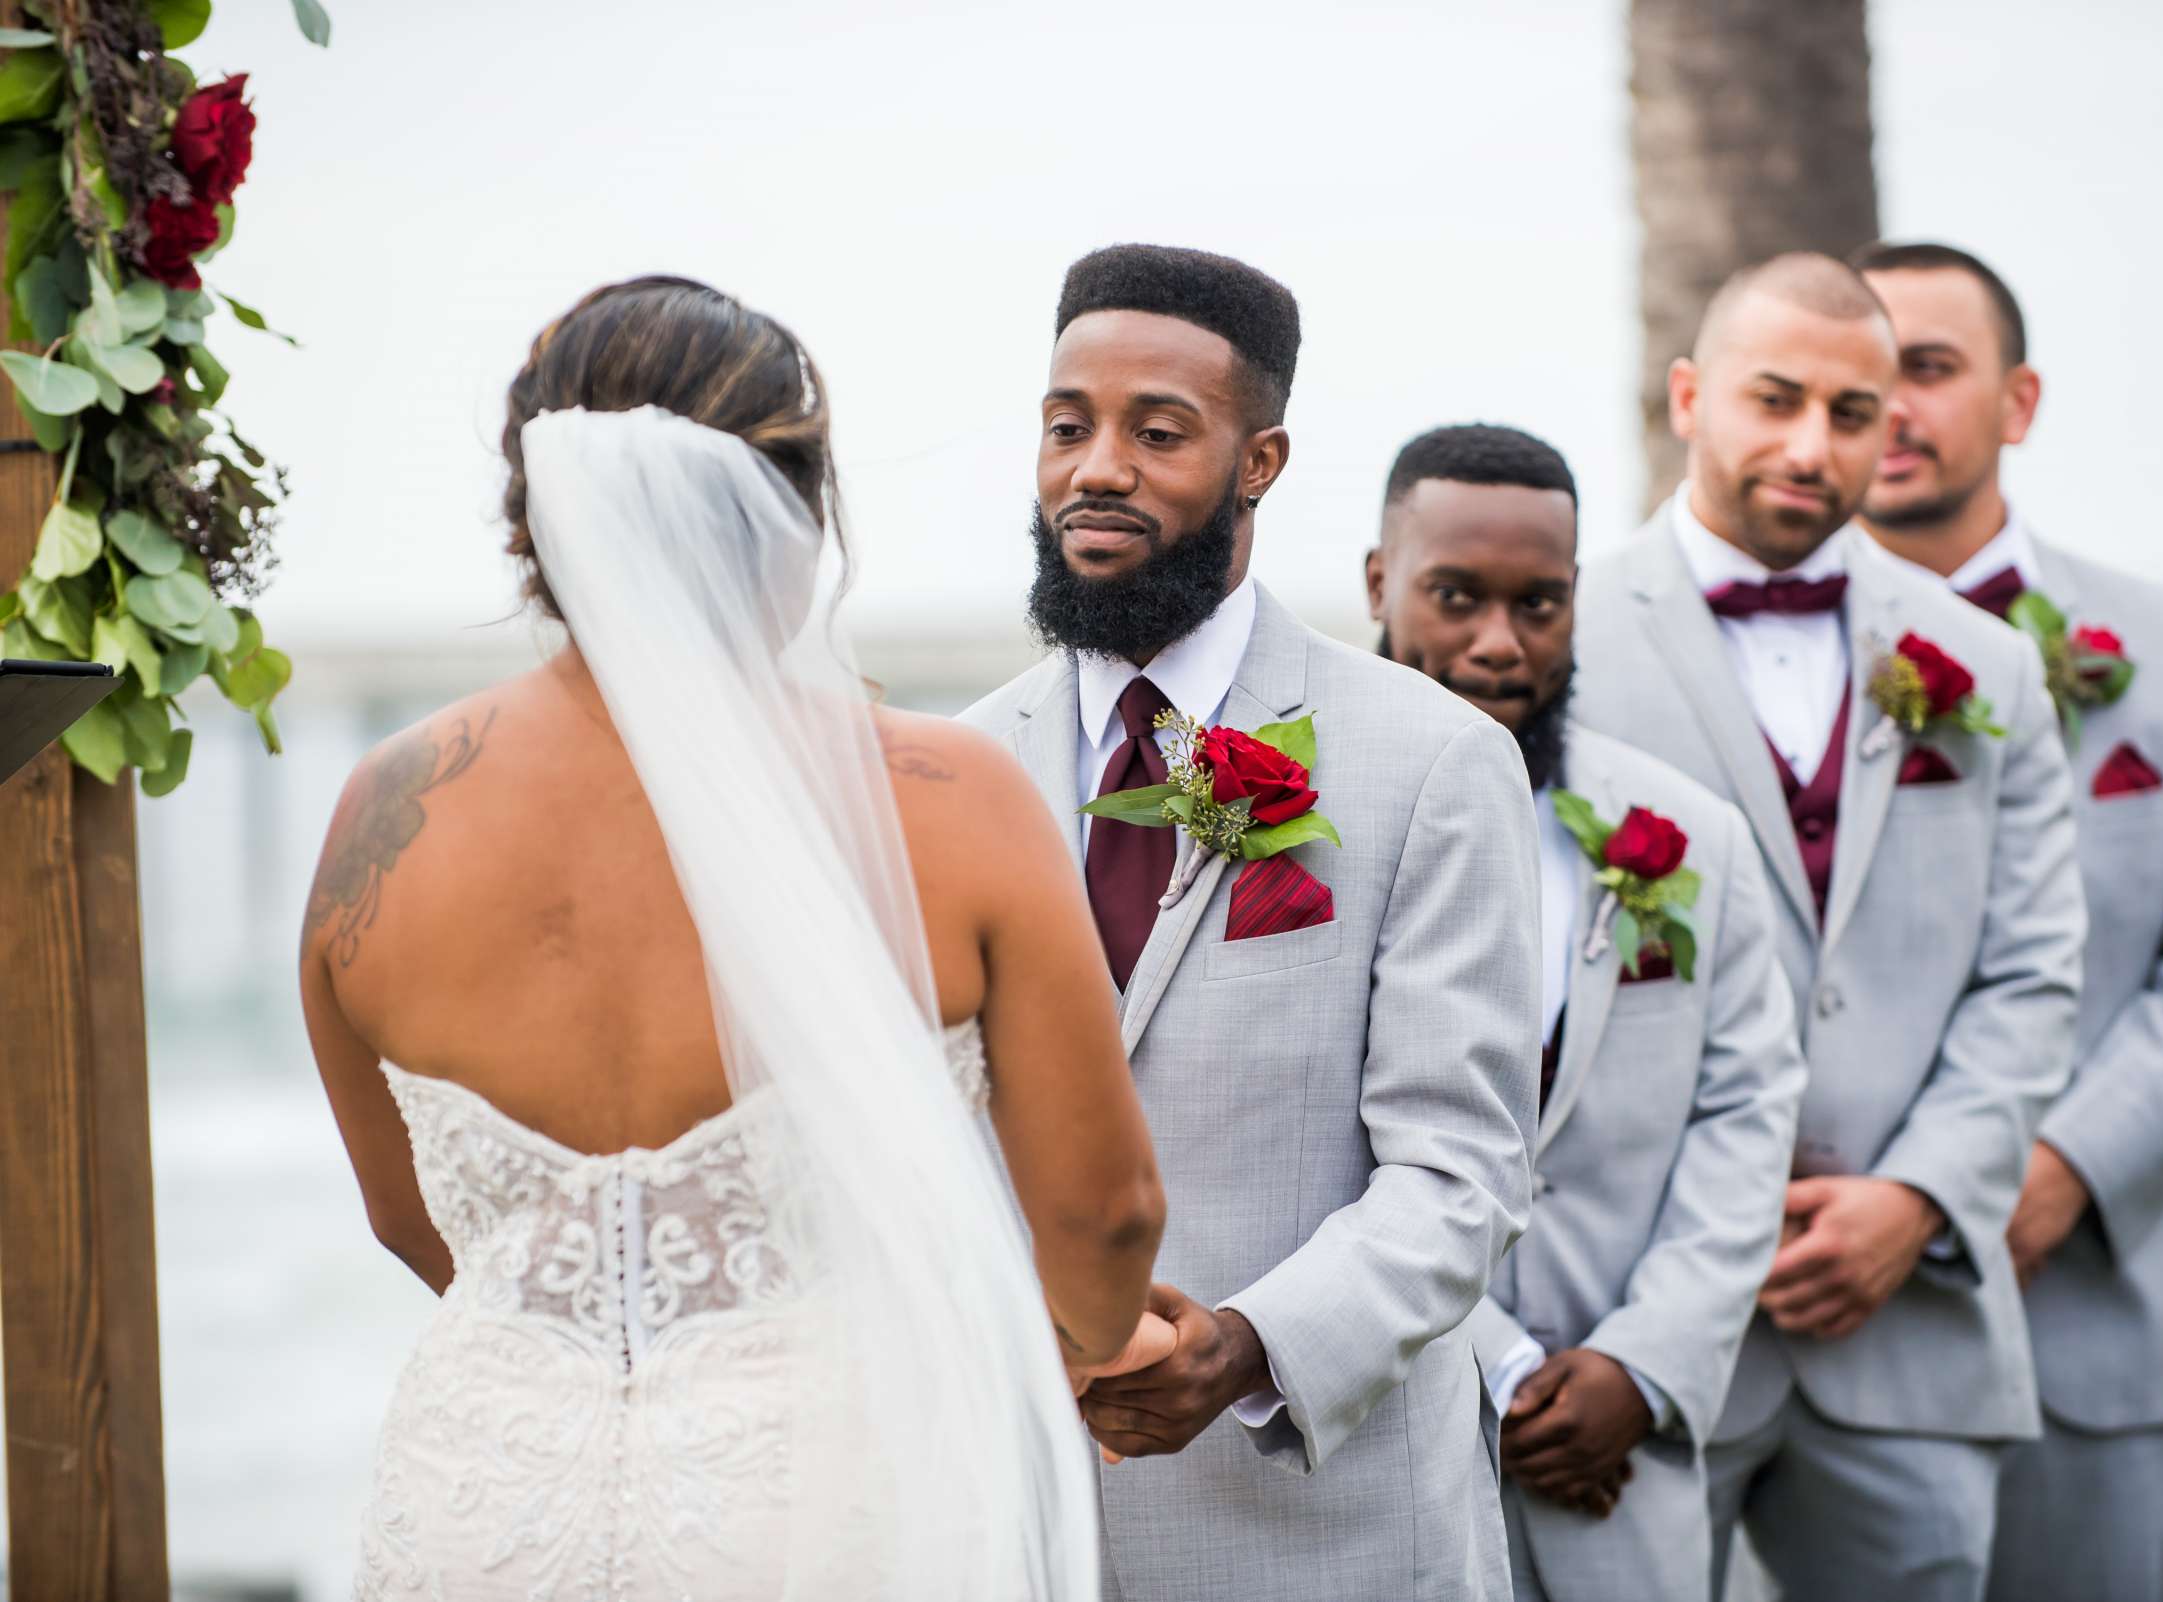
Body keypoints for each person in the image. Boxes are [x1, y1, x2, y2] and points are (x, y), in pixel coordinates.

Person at [301, 276, 1167, 1600]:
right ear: (795, 511)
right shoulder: (954, 800)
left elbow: (408, 1217)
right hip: (827, 1503)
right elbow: (1104, 1219)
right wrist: (1037, 1374)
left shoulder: (383, 810)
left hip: (481, 1499)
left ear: (535, 511)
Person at [959, 244, 1540, 1600]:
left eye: (1157, 432)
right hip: (1018, 1526)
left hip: (1320, 1535)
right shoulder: (954, 771)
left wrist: (1244, 1345)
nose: (1097, 467)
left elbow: (1460, 1171)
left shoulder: (1432, 759)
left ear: (1260, 459)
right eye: (1067, 426)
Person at [1569, 251, 2085, 1602]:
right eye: (1774, 399)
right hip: (1632, 1330)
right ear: (1689, 396)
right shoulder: (1560, 643)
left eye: (1852, 413)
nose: (1813, 446)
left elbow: (2035, 975)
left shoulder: (1986, 662)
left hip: (1905, 1333)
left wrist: (1917, 1199)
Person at [1849, 240, 2163, 1602]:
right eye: (1862, 378)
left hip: (2101, 1314)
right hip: (1822, 1321)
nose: (1894, 408)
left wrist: (2062, 1167)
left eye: (1928, 367)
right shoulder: (1737, 658)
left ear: (2019, 401)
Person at [1369, 423, 1806, 1602]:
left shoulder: (1689, 834)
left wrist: (1641, 1364)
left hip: (1624, 1464)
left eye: (1541, 605)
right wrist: (1494, 1365)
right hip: (1379, 1446)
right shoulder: (1293, 836)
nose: (1498, 644)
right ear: (1379, 583)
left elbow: (1748, 1109)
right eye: (1455, 597)